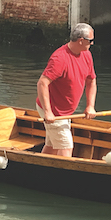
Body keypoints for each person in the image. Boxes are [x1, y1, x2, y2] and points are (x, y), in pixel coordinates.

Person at [36, 23, 97, 156]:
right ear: (81, 41)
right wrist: (48, 112)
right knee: (66, 146)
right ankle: (64, 176)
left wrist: (90, 106)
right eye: (90, 41)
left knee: (52, 145)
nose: (92, 44)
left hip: (65, 112)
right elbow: (42, 83)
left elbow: (91, 80)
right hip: (54, 111)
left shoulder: (86, 54)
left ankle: (39, 170)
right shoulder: (60, 59)